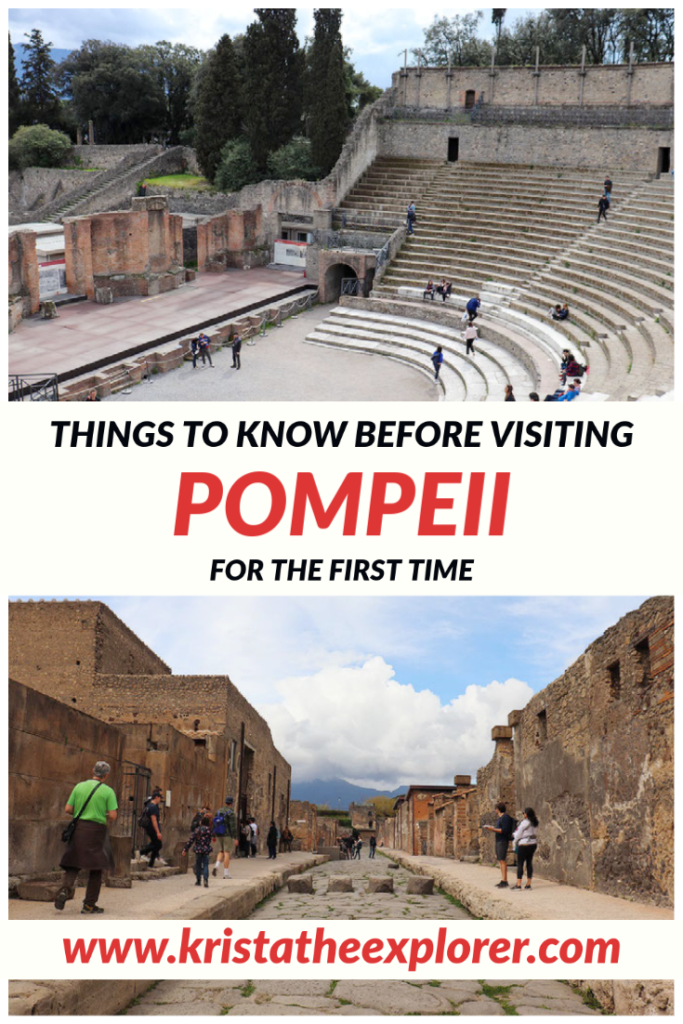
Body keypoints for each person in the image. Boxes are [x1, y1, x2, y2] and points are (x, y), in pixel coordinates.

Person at [55, 761, 118, 915]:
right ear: (106, 775)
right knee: (96, 868)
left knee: (73, 864)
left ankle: (65, 890)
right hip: (96, 831)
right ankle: (89, 904)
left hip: (79, 829)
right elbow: (113, 815)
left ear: (93, 771)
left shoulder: (79, 786)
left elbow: (68, 809)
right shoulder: (108, 791)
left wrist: (81, 813)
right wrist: (100, 813)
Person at [482, 801, 516, 889]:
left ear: (498, 809)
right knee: (500, 860)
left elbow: (504, 830)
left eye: (496, 809)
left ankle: (505, 880)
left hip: (503, 841)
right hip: (499, 841)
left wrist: (492, 829)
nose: (495, 810)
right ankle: (503, 879)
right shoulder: (500, 818)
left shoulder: (505, 818)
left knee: (502, 860)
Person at [510, 808, 539, 890]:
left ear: (526, 814)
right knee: (529, 863)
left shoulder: (524, 822)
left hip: (524, 843)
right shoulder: (535, 822)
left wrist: (514, 837)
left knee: (520, 863)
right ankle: (528, 884)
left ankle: (518, 884)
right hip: (533, 843)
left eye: (524, 813)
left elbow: (518, 835)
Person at [182, 814, 213, 888]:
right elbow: (211, 839)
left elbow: (191, 840)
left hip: (198, 849)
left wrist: (185, 849)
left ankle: (198, 880)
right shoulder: (209, 830)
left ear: (201, 822)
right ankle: (205, 880)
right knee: (205, 865)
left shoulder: (197, 829)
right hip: (206, 850)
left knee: (198, 865)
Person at [212, 796, 237, 879]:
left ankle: (216, 866)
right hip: (227, 834)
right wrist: (235, 837)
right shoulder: (231, 813)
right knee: (227, 852)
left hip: (219, 833)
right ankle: (226, 873)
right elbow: (233, 826)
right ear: (232, 803)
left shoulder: (219, 811)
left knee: (221, 851)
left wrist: (213, 835)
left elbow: (214, 823)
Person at [140, 792, 163, 868]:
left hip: (149, 827)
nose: (160, 800)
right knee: (158, 845)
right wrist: (158, 832)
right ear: (156, 797)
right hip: (152, 828)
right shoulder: (153, 807)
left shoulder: (148, 806)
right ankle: (142, 852)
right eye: (160, 798)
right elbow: (154, 820)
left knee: (155, 845)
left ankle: (151, 863)